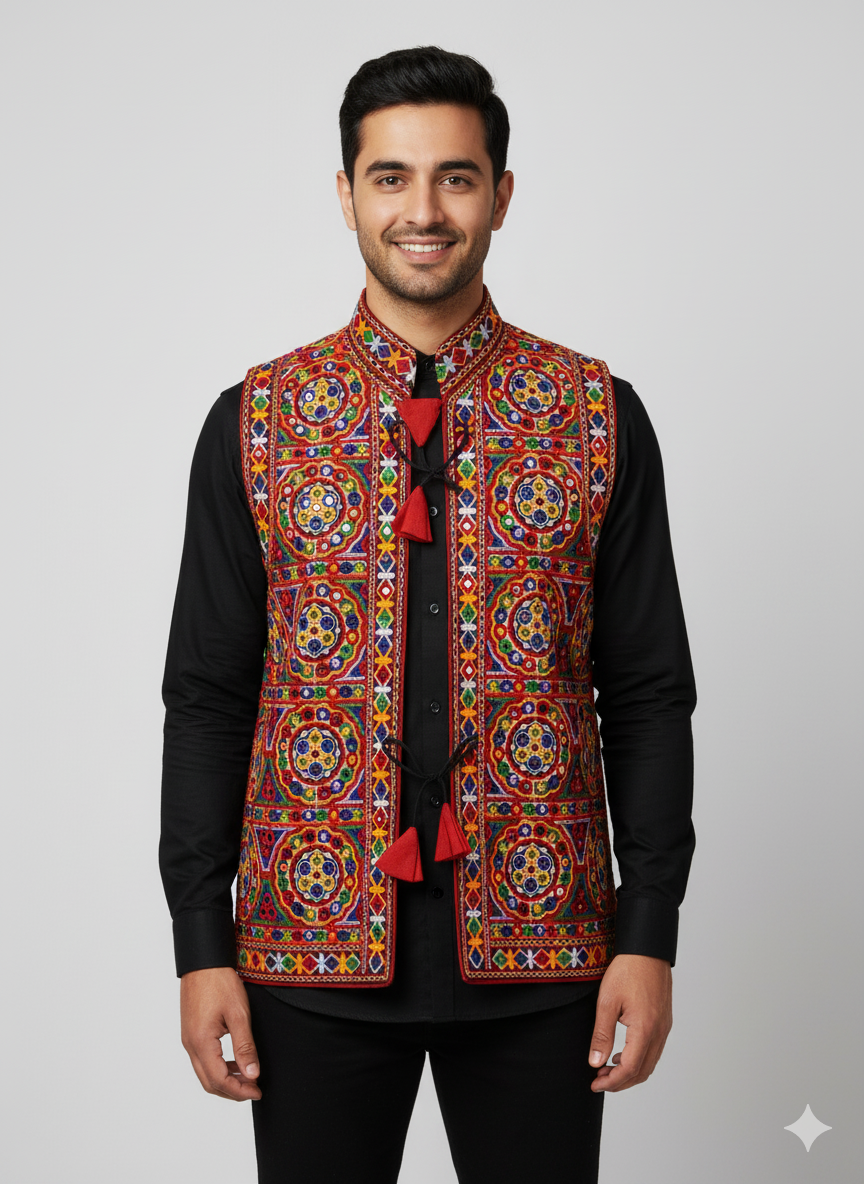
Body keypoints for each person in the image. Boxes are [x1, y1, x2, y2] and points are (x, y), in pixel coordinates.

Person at [160, 45, 696, 1184]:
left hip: (548, 956)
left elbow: (650, 692)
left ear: (501, 194)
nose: (424, 210)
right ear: (346, 194)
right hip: (307, 957)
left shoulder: (598, 415)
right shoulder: (255, 421)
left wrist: (649, 930)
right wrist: (200, 942)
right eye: (391, 177)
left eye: (456, 177)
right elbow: (207, 696)